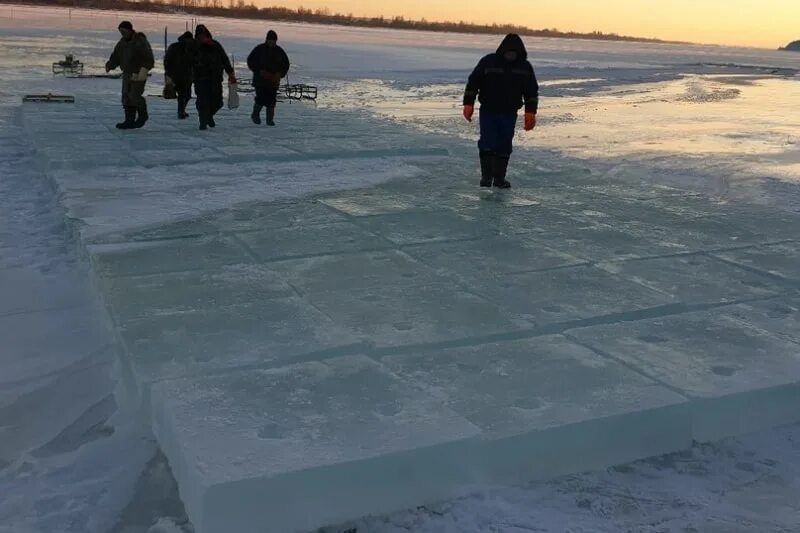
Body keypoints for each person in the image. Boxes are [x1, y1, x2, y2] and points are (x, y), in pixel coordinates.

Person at [463, 33, 539, 188]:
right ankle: (486, 178)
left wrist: (530, 112)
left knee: (504, 144)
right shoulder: (488, 62)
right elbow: (473, 83)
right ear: (502, 50)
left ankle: (499, 179)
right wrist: (468, 104)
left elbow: (531, 92)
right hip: (488, 111)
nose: (511, 55)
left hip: (509, 113)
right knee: (487, 142)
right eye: (508, 52)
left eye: (514, 52)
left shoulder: (524, 67)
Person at [105, 21, 155, 129]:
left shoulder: (140, 41)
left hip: (138, 74)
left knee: (134, 96)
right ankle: (129, 121)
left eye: (124, 31)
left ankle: (142, 117)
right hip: (127, 73)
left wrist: (144, 70)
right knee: (126, 97)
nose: (122, 33)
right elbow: (116, 56)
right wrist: (110, 64)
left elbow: (149, 58)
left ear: (130, 30)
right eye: (121, 31)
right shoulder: (122, 43)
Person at [192, 24, 236, 130]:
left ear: (207, 35)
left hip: (215, 79)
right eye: (199, 36)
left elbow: (224, 59)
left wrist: (230, 73)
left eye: (203, 35)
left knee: (218, 102)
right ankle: (203, 122)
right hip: (200, 78)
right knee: (203, 101)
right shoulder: (193, 46)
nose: (202, 37)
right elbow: (187, 61)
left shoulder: (215, 45)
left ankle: (208, 116)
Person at [246, 30, 290, 126]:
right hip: (260, 80)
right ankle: (255, 115)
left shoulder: (279, 51)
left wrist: (280, 73)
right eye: (270, 40)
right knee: (261, 98)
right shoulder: (259, 49)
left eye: (273, 40)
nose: (272, 42)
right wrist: (259, 71)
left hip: (273, 81)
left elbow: (286, 64)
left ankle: (269, 120)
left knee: (271, 100)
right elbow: (250, 61)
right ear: (266, 39)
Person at [164, 31, 195, 120]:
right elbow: (167, 60)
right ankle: (180, 112)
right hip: (177, 74)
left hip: (188, 74)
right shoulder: (174, 47)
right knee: (182, 94)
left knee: (188, 95)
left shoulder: (192, 47)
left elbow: (195, 61)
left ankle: (182, 110)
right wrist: (168, 73)